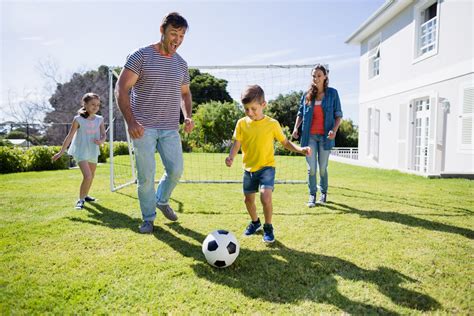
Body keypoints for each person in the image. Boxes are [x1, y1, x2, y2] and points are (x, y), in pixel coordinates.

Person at [115, 12, 194, 234]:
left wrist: (187, 115)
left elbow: (185, 93)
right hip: (143, 128)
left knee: (176, 170)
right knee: (146, 176)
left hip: (170, 128)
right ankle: (148, 218)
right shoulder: (140, 56)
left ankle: (162, 199)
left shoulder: (181, 64)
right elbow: (121, 89)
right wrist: (131, 122)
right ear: (162, 31)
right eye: (173, 33)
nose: (177, 39)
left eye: (181, 35)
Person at [225, 85, 311, 243]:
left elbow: (285, 142)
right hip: (248, 168)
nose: (250, 113)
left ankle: (268, 227)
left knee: (265, 197)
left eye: (254, 108)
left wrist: (300, 149)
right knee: (248, 200)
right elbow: (237, 143)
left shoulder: (272, 124)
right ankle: (255, 222)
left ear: (263, 105)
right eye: (246, 109)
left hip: (267, 167)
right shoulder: (241, 124)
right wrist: (231, 157)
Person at [292, 64, 343, 207]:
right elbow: (300, 113)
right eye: (314, 76)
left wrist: (334, 130)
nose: (316, 78)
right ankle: (312, 195)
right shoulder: (306, 94)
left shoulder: (333, 93)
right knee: (311, 169)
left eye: (319, 75)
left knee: (322, 167)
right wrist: (296, 128)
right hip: (309, 137)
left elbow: (338, 115)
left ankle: (324, 192)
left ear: (325, 76)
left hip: (325, 137)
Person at [52, 92, 106, 210]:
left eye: (97, 105)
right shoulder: (78, 119)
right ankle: (80, 200)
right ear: (85, 104)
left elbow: (104, 135)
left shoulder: (100, 119)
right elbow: (70, 136)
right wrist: (61, 152)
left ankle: (85, 195)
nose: (95, 107)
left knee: (91, 176)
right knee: (87, 176)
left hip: (93, 150)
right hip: (81, 151)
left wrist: (101, 141)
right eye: (92, 104)